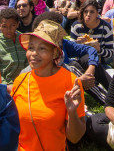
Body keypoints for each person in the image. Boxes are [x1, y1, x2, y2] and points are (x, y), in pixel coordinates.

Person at [12, 20, 86, 150]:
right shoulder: (20, 81)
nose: (34, 53)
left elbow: (75, 137)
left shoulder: (70, 81)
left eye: (42, 48)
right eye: (31, 48)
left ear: (54, 53)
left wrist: (72, 111)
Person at [0, 8, 29, 88]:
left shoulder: (24, 40)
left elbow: (29, 64)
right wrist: (6, 85)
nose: (8, 30)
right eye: (4, 26)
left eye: (12, 25)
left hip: (25, 84)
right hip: (4, 86)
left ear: (17, 24)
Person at [70, 0, 114, 65]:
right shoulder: (76, 26)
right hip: (80, 62)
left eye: (92, 12)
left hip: (99, 63)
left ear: (97, 13)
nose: (88, 14)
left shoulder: (105, 28)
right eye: (85, 11)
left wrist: (99, 49)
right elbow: (70, 51)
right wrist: (77, 44)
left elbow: (110, 53)